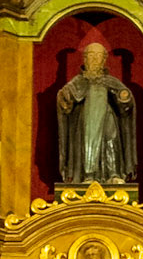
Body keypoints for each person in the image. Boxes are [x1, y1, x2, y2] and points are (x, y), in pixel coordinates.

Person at [57, 40, 136, 186]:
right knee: (88, 145)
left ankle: (113, 174)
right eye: (91, 55)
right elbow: (66, 99)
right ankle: (88, 175)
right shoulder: (78, 82)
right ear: (85, 59)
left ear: (104, 60)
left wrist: (124, 97)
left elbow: (125, 104)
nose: (94, 59)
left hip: (107, 118)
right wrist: (65, 97)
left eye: (98, 55)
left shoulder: (110, 81)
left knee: (111, 141)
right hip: (87, 121)